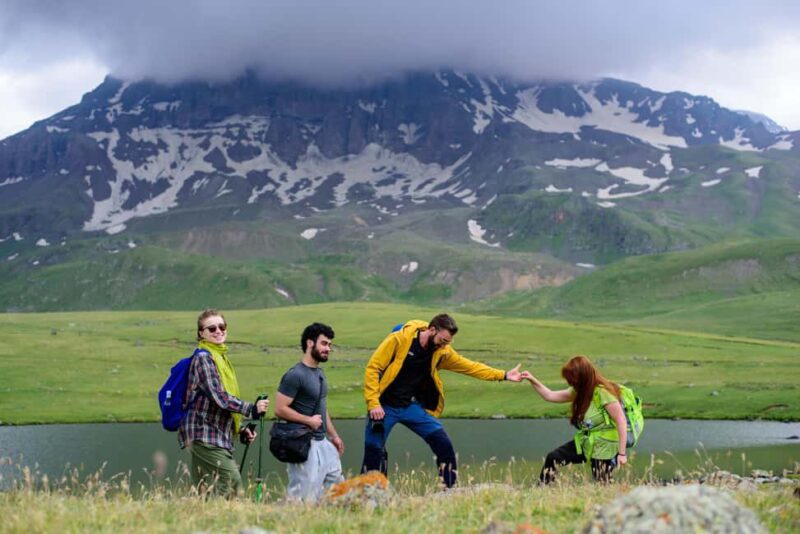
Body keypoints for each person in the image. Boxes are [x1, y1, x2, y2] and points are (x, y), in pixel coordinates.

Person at [361, 314, 523, 488]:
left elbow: (470, 367)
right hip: (384, 406)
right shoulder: (400, 339)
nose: (444, 345)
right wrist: (374, 403)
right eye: (442, 340)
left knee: (443, 444)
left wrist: (504, 375)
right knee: (373, 451)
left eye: (448, 342)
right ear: (431, 330)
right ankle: (366, 495)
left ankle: (449, 490)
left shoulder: (441, 351)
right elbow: (373, 368)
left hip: (409, 406)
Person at [180, 309, 270, 497]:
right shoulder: (204, 357)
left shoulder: (220, 357)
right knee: (231, 481)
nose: (218, 331)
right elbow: (219, 397)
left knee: (205, 489)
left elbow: (218, 405)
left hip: (213, 433)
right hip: (204, 433)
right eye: (211, 328)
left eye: (222, 327)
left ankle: (204, 522)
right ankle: (223, 520)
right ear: (200, 333)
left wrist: (240, 430)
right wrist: (251, 409)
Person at [520, 355, 628, 484]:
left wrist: (621, 454)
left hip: (605, 446)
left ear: (583, 377)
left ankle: (613, 502)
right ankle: (541, 490)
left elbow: (621, 421)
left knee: (602, 482)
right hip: (586, 442)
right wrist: (532, 379)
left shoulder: (603, 393)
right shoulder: (578, 391)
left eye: (573, 380)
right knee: (554, 457)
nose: (571, 383)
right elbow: (549, 395)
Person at [274, 322, 344, 501]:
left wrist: (334, 436)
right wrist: (308, 420)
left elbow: (322, 407)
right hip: (303, 443)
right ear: (310, 343)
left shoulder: (319, 373)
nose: (328, 348)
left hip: (323, 442)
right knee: (304, 495)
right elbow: (280, 409)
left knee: (336, 487)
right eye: (324, 343)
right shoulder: (295, 375)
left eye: (329, 345)